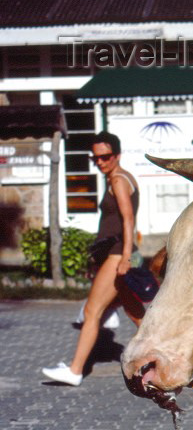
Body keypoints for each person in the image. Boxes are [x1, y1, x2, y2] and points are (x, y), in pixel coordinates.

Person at [42, 131, 144, 386]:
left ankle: (75, 371)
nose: (100, 162)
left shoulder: (119, 180)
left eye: (105, 157)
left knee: (91, 311)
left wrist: (126, 257)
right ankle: (171, 354)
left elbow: (128, 219)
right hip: (114, 253)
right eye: (95, 158)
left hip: (119, 254)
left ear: (117, 156)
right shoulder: (118, 178)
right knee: (136, 314)